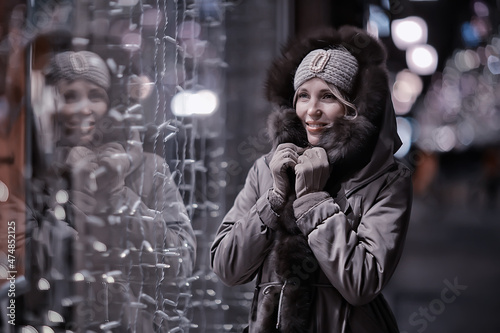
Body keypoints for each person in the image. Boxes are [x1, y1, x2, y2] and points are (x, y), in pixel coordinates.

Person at [210, 26, 412, 332]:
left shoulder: (384, 180)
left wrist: (315, 203)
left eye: (328, 96)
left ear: (353, 109)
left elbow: (362, 282)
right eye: (303, 96)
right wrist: (274, 200)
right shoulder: (268, 170)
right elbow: (227, 267)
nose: (312, 111)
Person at [27, 50, 196, 332]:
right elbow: (21, 267)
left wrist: (118, 196)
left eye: (95, 95)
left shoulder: (149, 169)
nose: (85, 108)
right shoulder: (34, 176)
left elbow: (180, 265)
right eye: (69, 96)